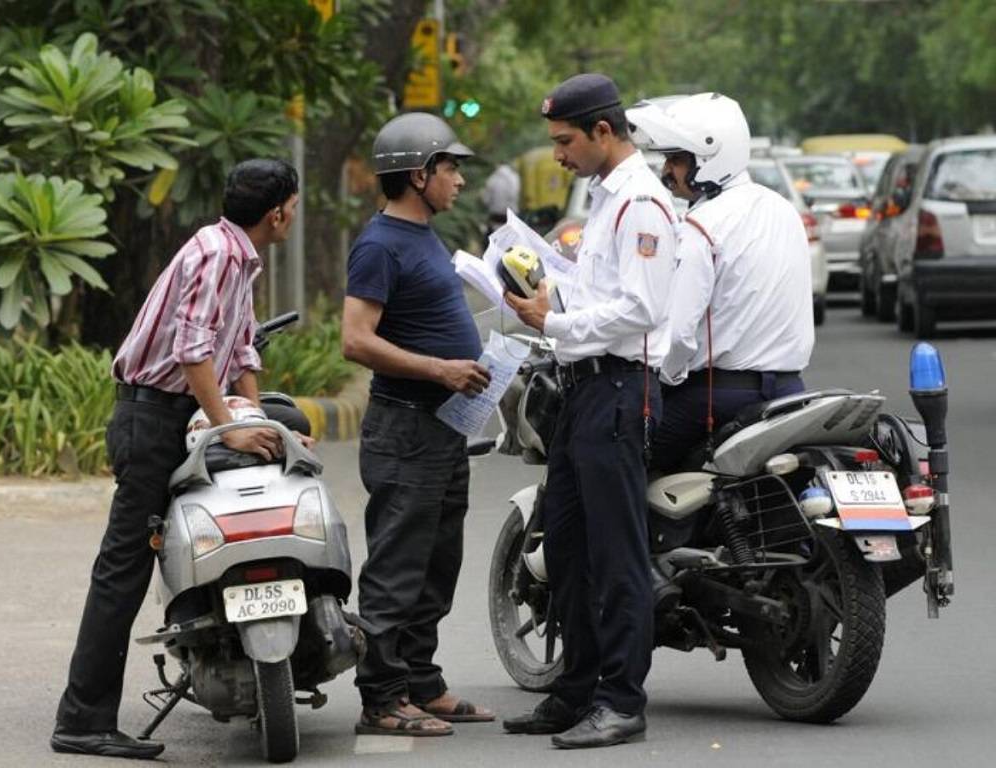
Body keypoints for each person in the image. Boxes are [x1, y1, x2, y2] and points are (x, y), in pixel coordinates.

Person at [51, 159, 308, 760]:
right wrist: (229, 432)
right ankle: (82, 719)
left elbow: (239, 348)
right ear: (278, 211)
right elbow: (193, 350)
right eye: (293, 205)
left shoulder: (238, 256)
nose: (293, 215)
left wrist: (262, 426)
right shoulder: (218, 255)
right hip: (152, 419)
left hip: (173, 415)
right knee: (123, 569)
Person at [502, 73, 677, 749]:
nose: (558, 155)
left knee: (616, 554)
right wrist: (549, 287)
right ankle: (573, 691)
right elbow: (598, 288)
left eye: (565, 140)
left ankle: (621, 701)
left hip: (618, 389)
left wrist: (555, 322)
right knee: (567, 549)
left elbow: (642, 310)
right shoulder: (605, 199)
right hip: (582, 390)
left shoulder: (643, 204)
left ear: (604, 131)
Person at [341, 112, 495, 737]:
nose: (458, 179)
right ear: (417, 174)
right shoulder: (379, 244)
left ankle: (421, 682)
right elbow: (355, 340)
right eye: (450, 167)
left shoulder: (424, 235)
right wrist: (439, 370)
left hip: (441, 430)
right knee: (398, 565)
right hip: (404, 428)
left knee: (437, 561)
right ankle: (381, 696)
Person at [627, 93, 814, 473]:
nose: (667, 171)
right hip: (791, 391)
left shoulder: (703, 225)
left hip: (715, 397)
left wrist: (664, 378)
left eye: (677, 159)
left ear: (710, 158)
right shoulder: (783, 209)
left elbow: (679, 335)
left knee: (623, 464)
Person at [482, 162, 521, 233]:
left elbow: (486, 200)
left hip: (496, 217)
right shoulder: (515, 177)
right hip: (512, 216)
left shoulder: (492, 179)